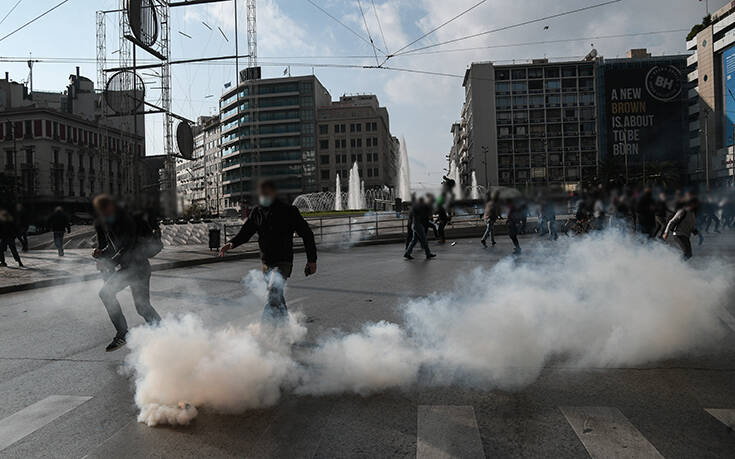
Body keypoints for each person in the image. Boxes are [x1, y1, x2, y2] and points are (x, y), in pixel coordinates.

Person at [219, 179, 317, 323]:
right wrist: (231, 244)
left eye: (266, 193)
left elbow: (307, 234)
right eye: (261, 193)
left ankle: (264, 329)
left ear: (273, 193)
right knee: (277, 297)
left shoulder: (289, 211)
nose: (263, 196)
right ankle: (286, 330)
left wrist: (312, 260)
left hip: (283, 261)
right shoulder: (257, 212)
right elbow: (245, 233)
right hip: (266, 263)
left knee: (273, 293)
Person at [93, 195, 162, 352]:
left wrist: (111, 261)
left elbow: (128, 246)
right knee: (142, 307)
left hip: (136, 267)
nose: (103, 215)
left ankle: (123, 334)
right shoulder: (113, 224)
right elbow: (116, 248)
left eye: (104, 211)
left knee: (106, 293)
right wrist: (101, 253)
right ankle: (163, 331)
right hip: (134, 268)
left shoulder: (127, 221)